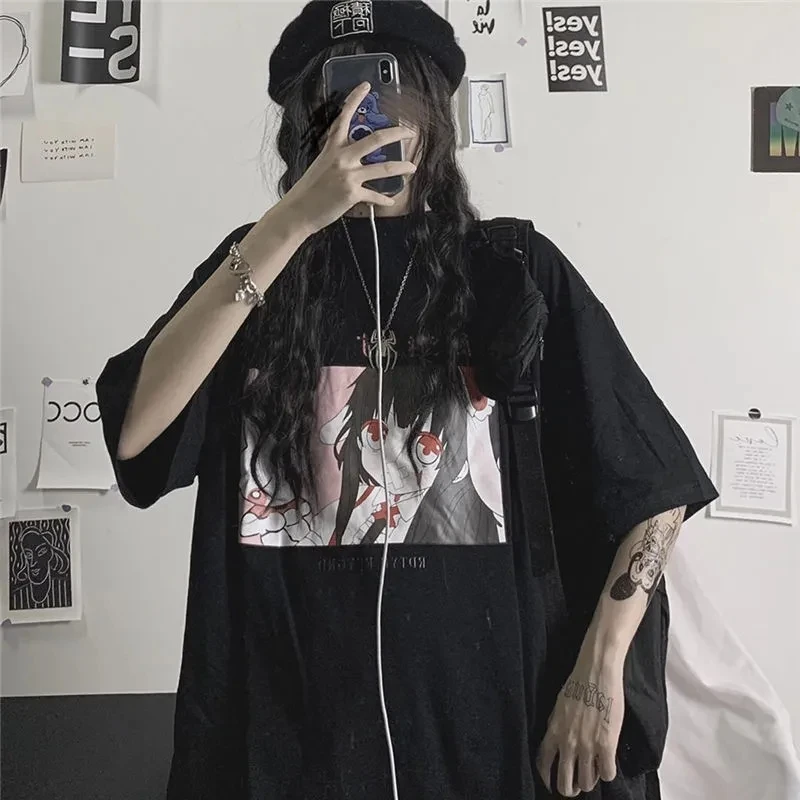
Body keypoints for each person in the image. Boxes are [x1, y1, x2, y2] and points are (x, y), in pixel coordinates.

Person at [96, 2, 718, 799]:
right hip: (288, 759)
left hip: (497, 750)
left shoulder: (514, 272)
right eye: (339, 95)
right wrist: (287, 225)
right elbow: (137, 439)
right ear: (303, 124)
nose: (365, 115)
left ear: (434, 117)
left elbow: (656, 489)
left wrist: (598, 675)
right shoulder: (253, 273)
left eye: (390, 88)